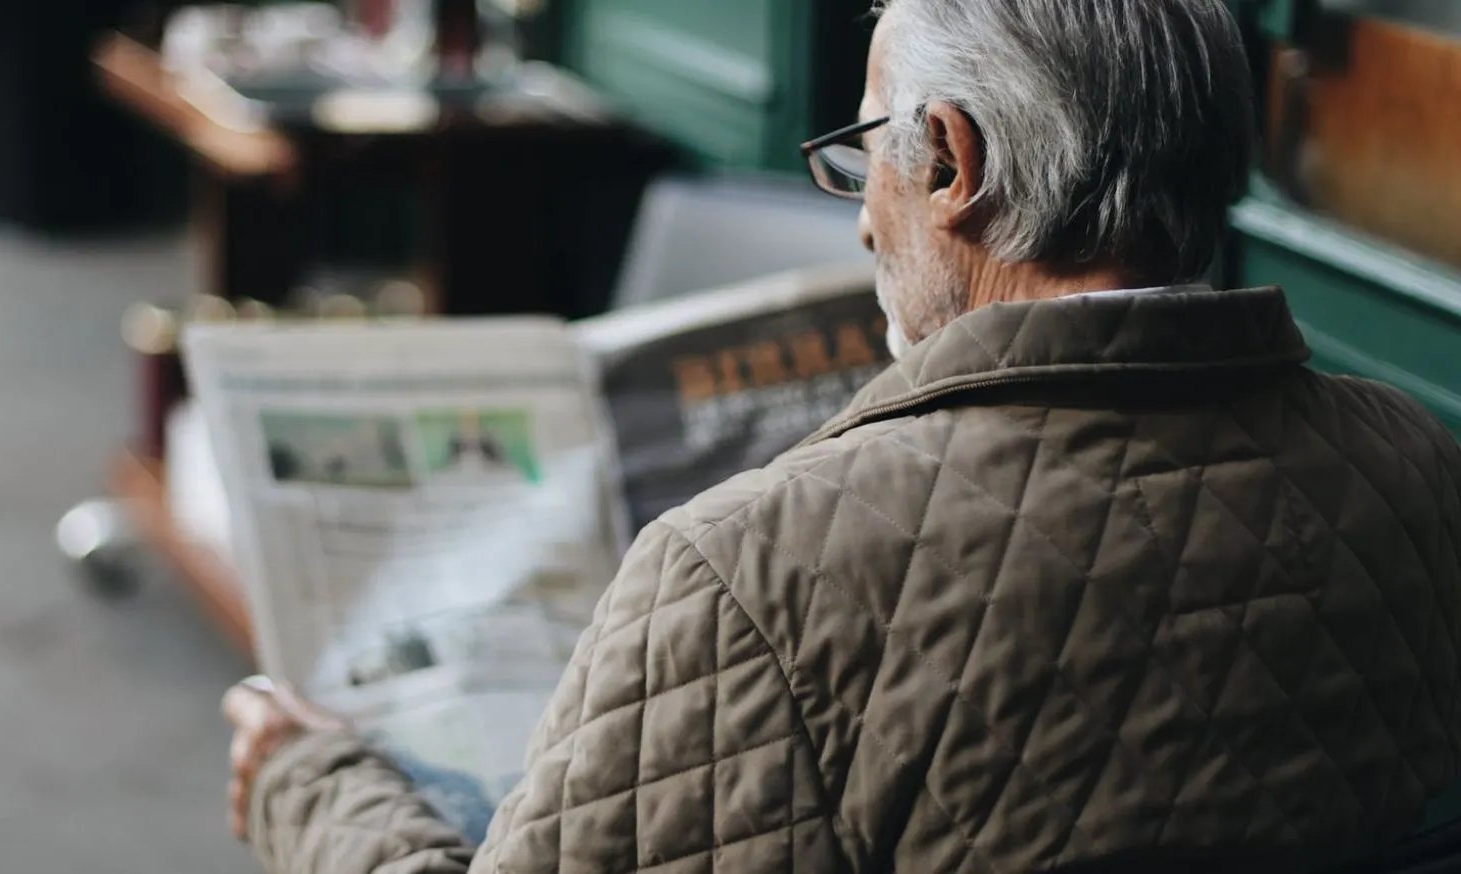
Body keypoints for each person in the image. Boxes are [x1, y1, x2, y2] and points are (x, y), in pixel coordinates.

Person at [221, 1, 1461, 871]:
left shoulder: (752, 573)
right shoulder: (1416, 462)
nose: (863, 225)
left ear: (952, 164)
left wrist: (312, 786)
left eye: (866, 148)